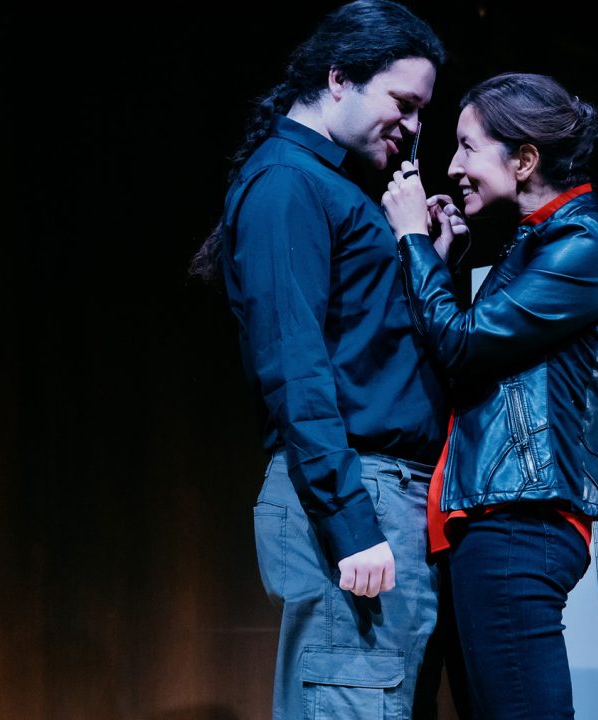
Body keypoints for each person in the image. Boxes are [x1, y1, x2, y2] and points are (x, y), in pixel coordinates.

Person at [188, 3, 448, 718]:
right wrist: (351, 520)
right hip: (356, 489)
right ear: (339, 78)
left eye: (422, 111)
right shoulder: (288, 184)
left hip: (380, 488)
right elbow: (293, 364)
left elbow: (361, 343)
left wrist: (428, 256)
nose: (413, 126)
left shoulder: (326, 185)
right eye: (403, 103)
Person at [381, 72, 598, 720]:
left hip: (519, 523)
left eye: (468, 147)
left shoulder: (582, 243)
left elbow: (464, 346)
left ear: (524, 159)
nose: (452, 166)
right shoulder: (539, 241)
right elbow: (468, 360)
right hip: (496, 521)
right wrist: (436, 256)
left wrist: (412, 239)